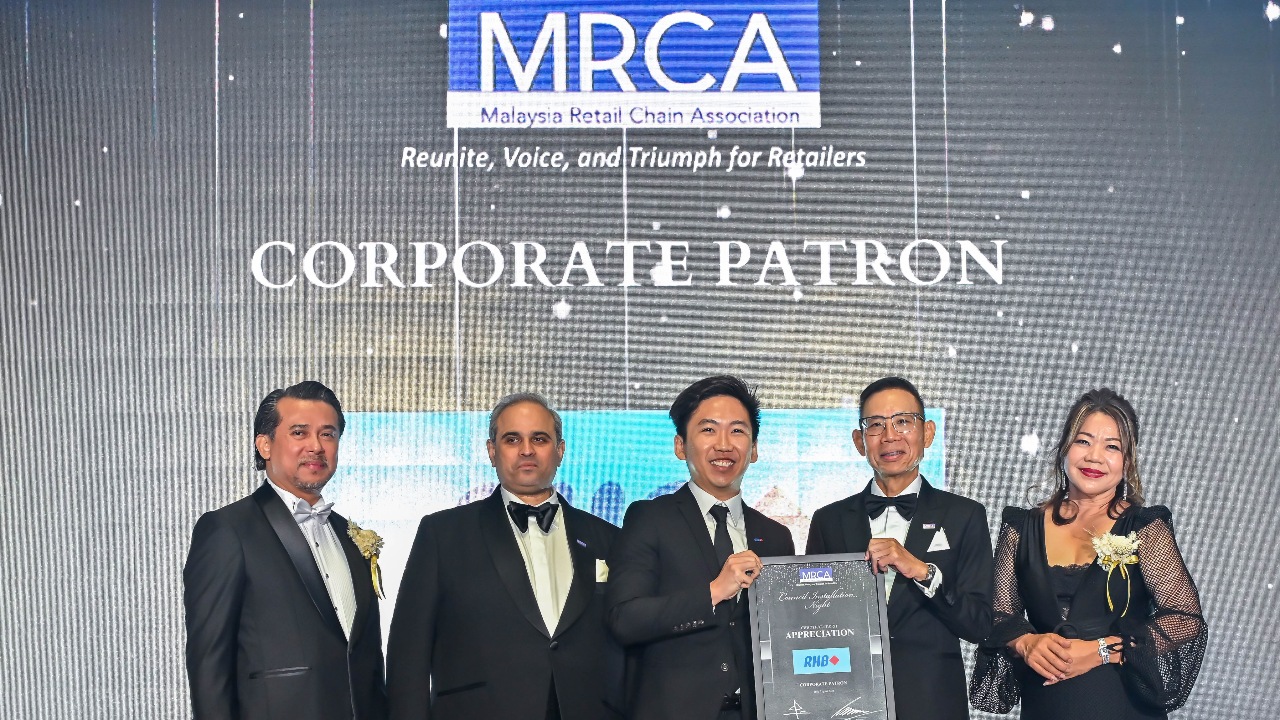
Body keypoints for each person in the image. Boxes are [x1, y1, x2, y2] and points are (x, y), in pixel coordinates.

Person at [969, 388, 1207, 719]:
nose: (1094, 457)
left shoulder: (1144, 527)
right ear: (1064, 448)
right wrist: (1025, 642)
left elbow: (1184, 618)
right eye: (1083, 441)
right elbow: (998, 614)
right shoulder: (1022, 528)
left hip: (1120, 704)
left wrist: (1103, 651)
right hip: (1047, 705)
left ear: (1127, 461)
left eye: (1112, 446)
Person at [386, 393, 624, 720]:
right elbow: (408, 653)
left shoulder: (608, 538)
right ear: (492, 451)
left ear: (560, 450)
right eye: (512, 439)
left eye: (539, 439)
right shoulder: (443, 534)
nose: (526, 450)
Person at [183, 381, 388, 720]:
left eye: (328, 434)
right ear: (264, 445)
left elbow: (367, 661)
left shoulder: (351, 537)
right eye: (299, 432)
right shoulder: (228, 530)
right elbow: (209, 666)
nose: (316, 446)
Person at [605, 375, 795, 720]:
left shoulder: (776, 536)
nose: (724, 445)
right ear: (680, 446)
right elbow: (625, 619)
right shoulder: (649, 518)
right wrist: (714, 592)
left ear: (754, 450)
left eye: (737, 431)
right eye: (708, 430)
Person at [806, 376, 993, 720]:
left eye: (903, 422)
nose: (890, 436)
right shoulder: (828, 520)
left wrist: (923, 572)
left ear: (928, 433)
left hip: (932, 703)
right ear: (859, 441)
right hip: (848, 704)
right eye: (876, 425)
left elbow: (980, 625)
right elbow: (812, 621)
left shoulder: (965, 515)